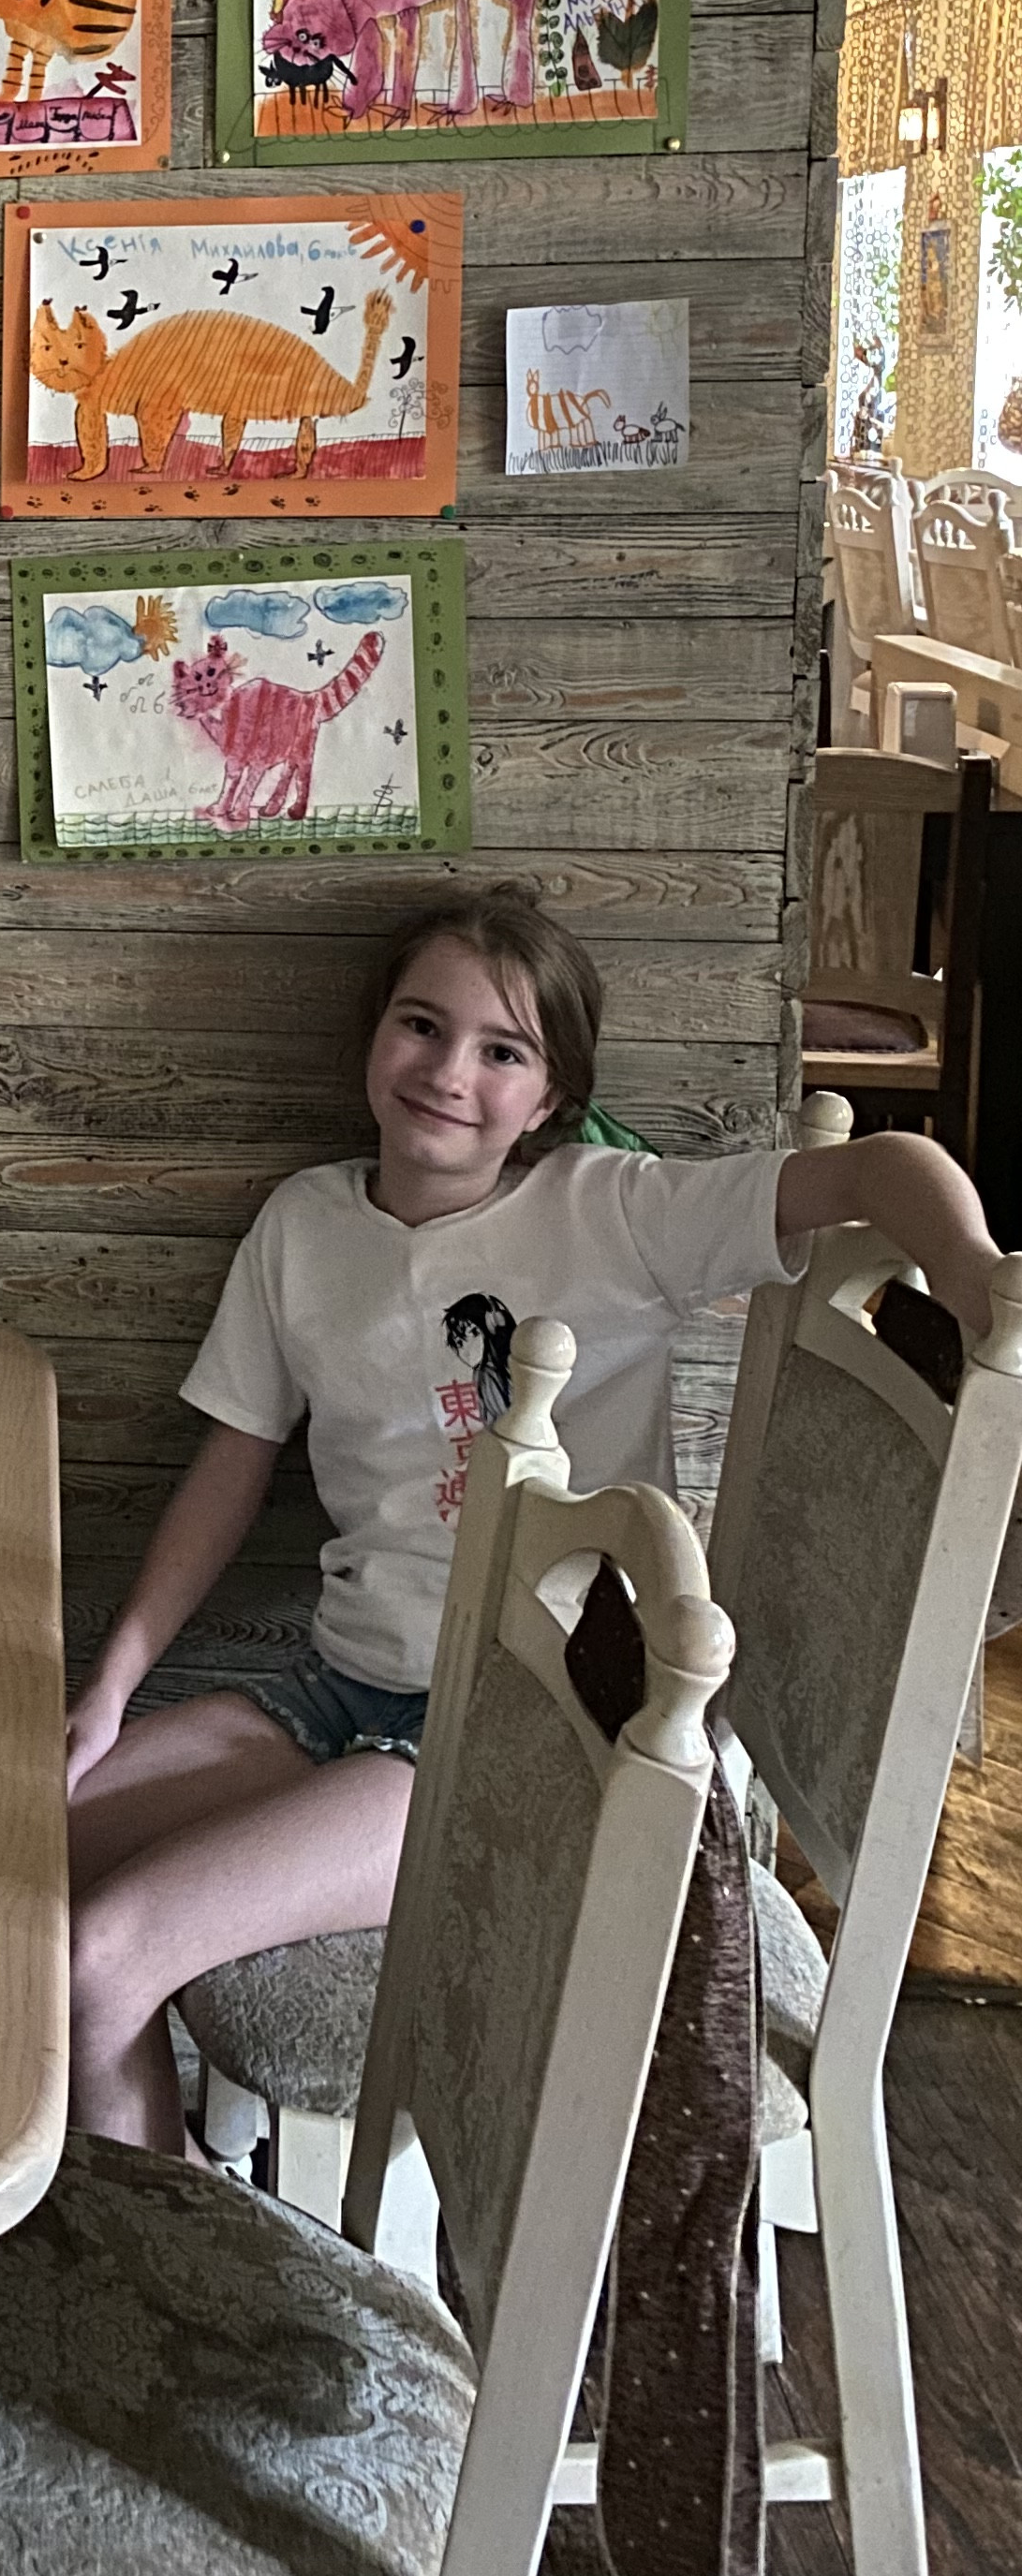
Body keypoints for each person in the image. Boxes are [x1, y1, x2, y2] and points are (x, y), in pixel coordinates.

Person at [62, 881, 1002, 2156]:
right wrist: (113, 1690)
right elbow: (231, 1468)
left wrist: (974, 1277)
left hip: (525, 1732)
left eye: (503, 1051)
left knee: (103, 1954)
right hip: (338, 1694)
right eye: (421, 1025)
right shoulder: (302, 1227)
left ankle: (175, 2263)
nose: (450, 1073)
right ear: (374, 1035)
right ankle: (149, 2194)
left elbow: (887, 1166)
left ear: (552, 1095)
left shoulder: (614, 1212)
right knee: (9, 1863)